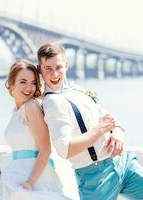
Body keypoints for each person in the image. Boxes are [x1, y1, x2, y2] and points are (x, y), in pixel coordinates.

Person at [37, 43, 143, 200]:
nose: (54, 74)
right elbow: (64, 149)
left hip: (123, 164)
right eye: (48, 68)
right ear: (40, 69)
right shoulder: (52, 102)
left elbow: (111, 119)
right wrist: (99, 130)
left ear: (66, 65)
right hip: (96, 177)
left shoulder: (78, 90)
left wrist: (118, 134)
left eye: (58, 67)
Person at [0, 60, 71, 200]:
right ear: (12, 83)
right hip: (16, 175)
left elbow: (45, 149)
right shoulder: (16, 112)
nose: (29, 88)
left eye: (33, 83)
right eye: (23, 82)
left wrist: (30, 184)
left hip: (34, 178)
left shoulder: (31, 106)